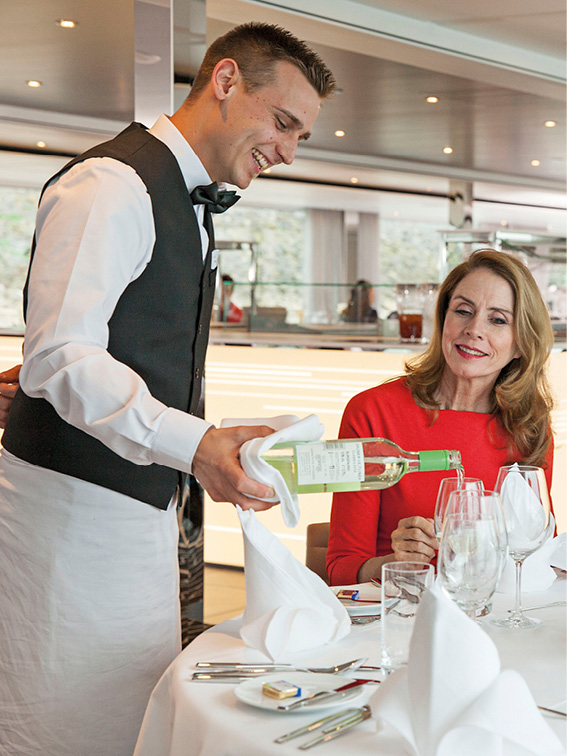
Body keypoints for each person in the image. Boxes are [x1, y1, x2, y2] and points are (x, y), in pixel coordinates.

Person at [0, 22, 335, 756]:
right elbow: (59, 356)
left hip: (139, 510)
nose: (287, 151)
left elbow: (142, 355)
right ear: (223, 81)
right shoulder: (111, 184)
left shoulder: (188, 200)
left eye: (301, 136)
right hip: (72, 515)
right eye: (282, 123)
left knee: (130, 708)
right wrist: (194, 444)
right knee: (63, 721)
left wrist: (212, 444)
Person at [327, 248, 555, 585]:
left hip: (493, 619)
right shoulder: (372, 413)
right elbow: (341, 569)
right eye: (463, 311)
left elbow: (534, 558)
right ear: (443, 320)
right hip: (398, 616)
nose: (474, 329)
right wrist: (397, 562)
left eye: (498, 320)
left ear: (521, 342)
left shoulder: (529, 427)